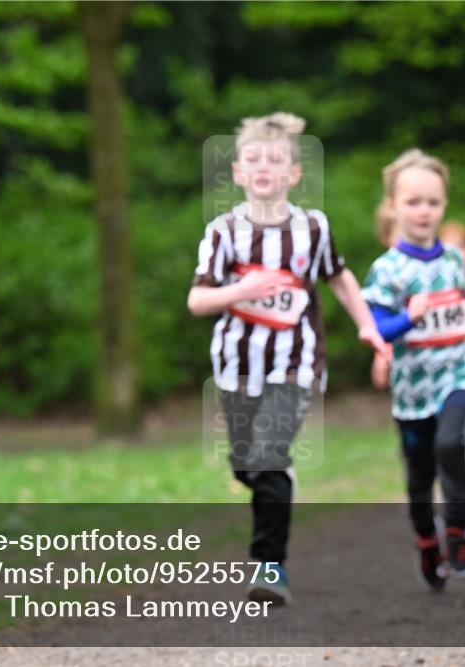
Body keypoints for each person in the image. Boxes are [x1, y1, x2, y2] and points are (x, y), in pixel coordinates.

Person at [187, 112, 389, 605]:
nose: (264, 166)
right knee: (247, 467)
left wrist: (367, 324)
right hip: (237, 366)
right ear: (238, 171)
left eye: (275, 159)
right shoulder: (223, 232)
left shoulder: (312, 228)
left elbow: (338, 276)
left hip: (295, 365)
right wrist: (243, 289)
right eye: (253, 159)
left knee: (269, 458)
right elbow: (197, 301)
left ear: (293, 174)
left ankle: (269, 568)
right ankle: (274, 481)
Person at [362, 148, 465, 591]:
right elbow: (376, 329)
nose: (423, 211)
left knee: (451, 443)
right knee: (420, 477)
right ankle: (428, 540)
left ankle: (458, 534)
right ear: (393, 206)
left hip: (459, 371)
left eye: (432, 202)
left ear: (444, 204)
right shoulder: (387, 270)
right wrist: (408, 318)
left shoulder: (454, 259)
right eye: (413, 202)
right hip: (413, 387)